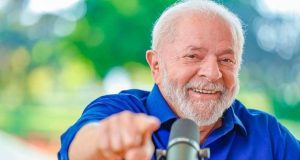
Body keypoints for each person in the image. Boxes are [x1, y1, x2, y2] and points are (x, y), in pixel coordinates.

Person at [58, 0, 300, 159]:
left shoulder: (268, 135)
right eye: (193, 56)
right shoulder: (119, 110)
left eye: (226, 60)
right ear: (156, 65)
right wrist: (107, 142)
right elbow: (79, 147)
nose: (213, 73)